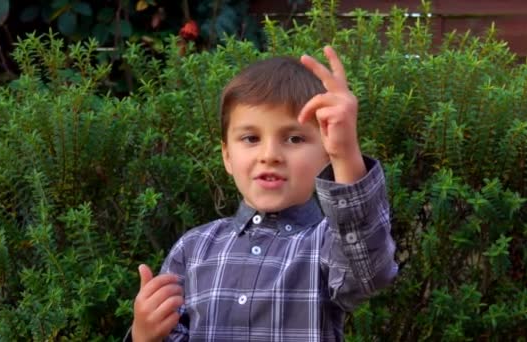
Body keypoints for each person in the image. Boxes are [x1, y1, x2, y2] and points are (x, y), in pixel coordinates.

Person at [126, 46, 398, 342]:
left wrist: (346, 154)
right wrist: (145, 336)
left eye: (294, 138)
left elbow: (370, 272)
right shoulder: (192, 250)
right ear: (227, 156)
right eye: (251, 138)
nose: (270, 155)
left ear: (325, 154)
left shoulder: (325, 245)